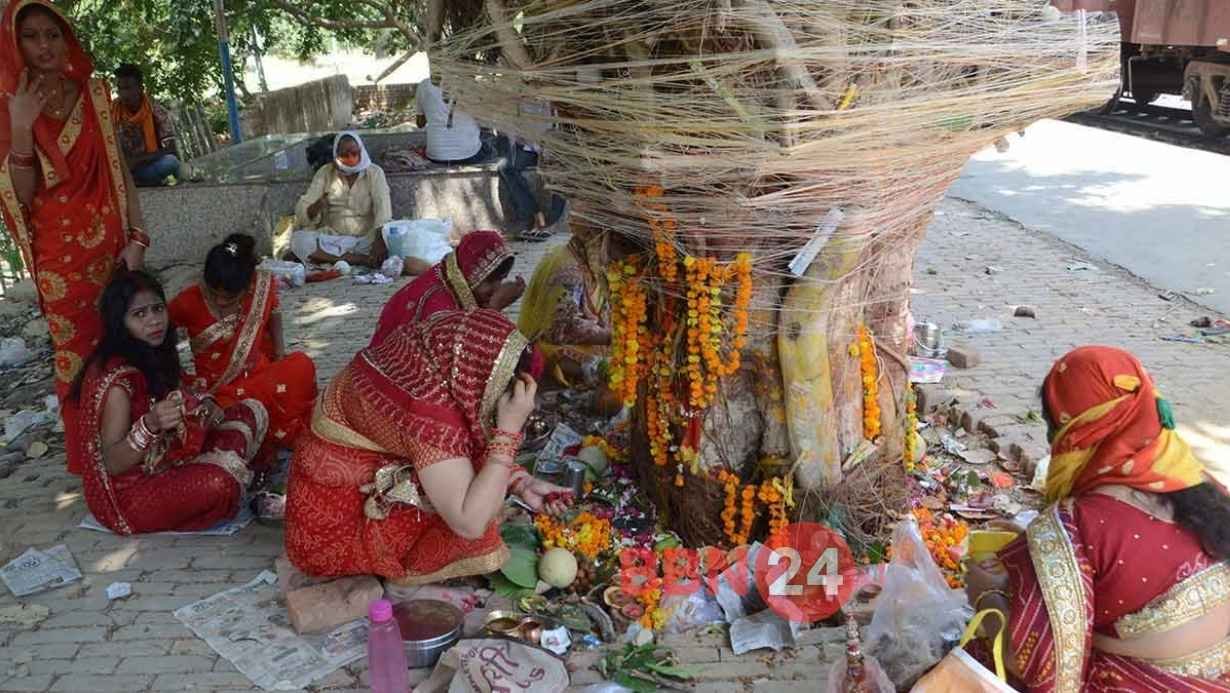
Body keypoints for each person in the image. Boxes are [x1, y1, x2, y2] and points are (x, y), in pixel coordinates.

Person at [965, 346, 1230, 691]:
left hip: (1134, 683)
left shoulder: (1077, 524)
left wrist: (986, 597)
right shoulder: (1205, 487)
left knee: (982, 655)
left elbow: (1045, 670)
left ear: (1074, 430)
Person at [284, 309, 572, 583]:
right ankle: (399, 570)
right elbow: (469, 523)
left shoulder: (436, 357)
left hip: (347, 469)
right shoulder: (426, 409)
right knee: (480, 525)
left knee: (486, 483)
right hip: (331, 529)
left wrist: (520, 482)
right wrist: (508, 431)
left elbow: (465, 433)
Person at [0, 0, 150, 476]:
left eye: (53, 34)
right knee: (80, 362)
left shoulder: (95, 95)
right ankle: (93, 463)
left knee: (131, 346)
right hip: (61, 266)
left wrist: (138, 237)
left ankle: (138, 447)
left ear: (67, 38)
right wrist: (22, 125)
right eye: (31, 36)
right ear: (13, 44)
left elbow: (119, 172)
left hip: (112, 251)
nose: (44, 45)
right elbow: (21, 196)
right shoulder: (7, 108)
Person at [72, 271, 269, 535]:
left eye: (157, 309)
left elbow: (179, 393)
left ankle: (226, 469)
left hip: (167, 457)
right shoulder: (118, 383)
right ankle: (229, 473)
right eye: (139, 314)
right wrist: (150, 425)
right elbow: (113, 462)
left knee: (249, 412)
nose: (154, 321)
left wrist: (203, 405)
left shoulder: (151, 352)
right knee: (220, 484)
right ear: (120, 322)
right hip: (131, 495)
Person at [168, 234, 317, 450]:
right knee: (227, 413)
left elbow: (274, 311)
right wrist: (178, 379)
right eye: (213, 293)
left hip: (259, 376)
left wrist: (280, 354)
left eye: (229, 297)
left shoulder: (261, 287)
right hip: (216, 391)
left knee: (301, 365)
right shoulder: (187, 302)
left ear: (248, 287)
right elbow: (160, 335)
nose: (219, 301)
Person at [517, 220, 639, 387]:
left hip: (584, 340)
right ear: (599, 241)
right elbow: (562, 328)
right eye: (615, 248)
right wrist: (613, 337)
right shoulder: (568, 269)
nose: (617, 258)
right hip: (548, 346)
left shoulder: (589, 263)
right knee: (605, 367)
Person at [369, 230, 525, 348]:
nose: (498, 288)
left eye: (501, 279)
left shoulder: (452, 279)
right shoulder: (438, 305)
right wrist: (494, 309)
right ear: (469, 274)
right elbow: (464, 357)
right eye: (490, 281)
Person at [290, 131, 392, 268]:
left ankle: (336, 259)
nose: (350, 158)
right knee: (299, 240)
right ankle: (360, 260)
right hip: (333, 239)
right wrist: (316, 207)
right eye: (344, 155)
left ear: (361, 151)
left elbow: (383, 210)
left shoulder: (374, 172)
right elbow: (304, 209)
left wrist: (379, 243)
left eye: (354, 153)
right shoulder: (325, 173)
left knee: (394, 238)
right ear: (335, 156)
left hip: (366, 240)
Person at [111, 63, 186, 186]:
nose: (123, 94)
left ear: (140, 88)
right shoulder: (110, 111)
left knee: (170, 162)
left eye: (128, 88)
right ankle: (137, 182)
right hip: (119, 170)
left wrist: (137, 161)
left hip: (144, 168)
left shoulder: (156, 112)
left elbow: (171, 150)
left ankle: (137, 182)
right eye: (120, 89)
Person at [415, 77, 486, 165]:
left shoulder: (424, 85)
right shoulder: (474, 86)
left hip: (436, 155)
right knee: (497, 141)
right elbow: (485, 122)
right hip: (469, 156)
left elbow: (420, 123)